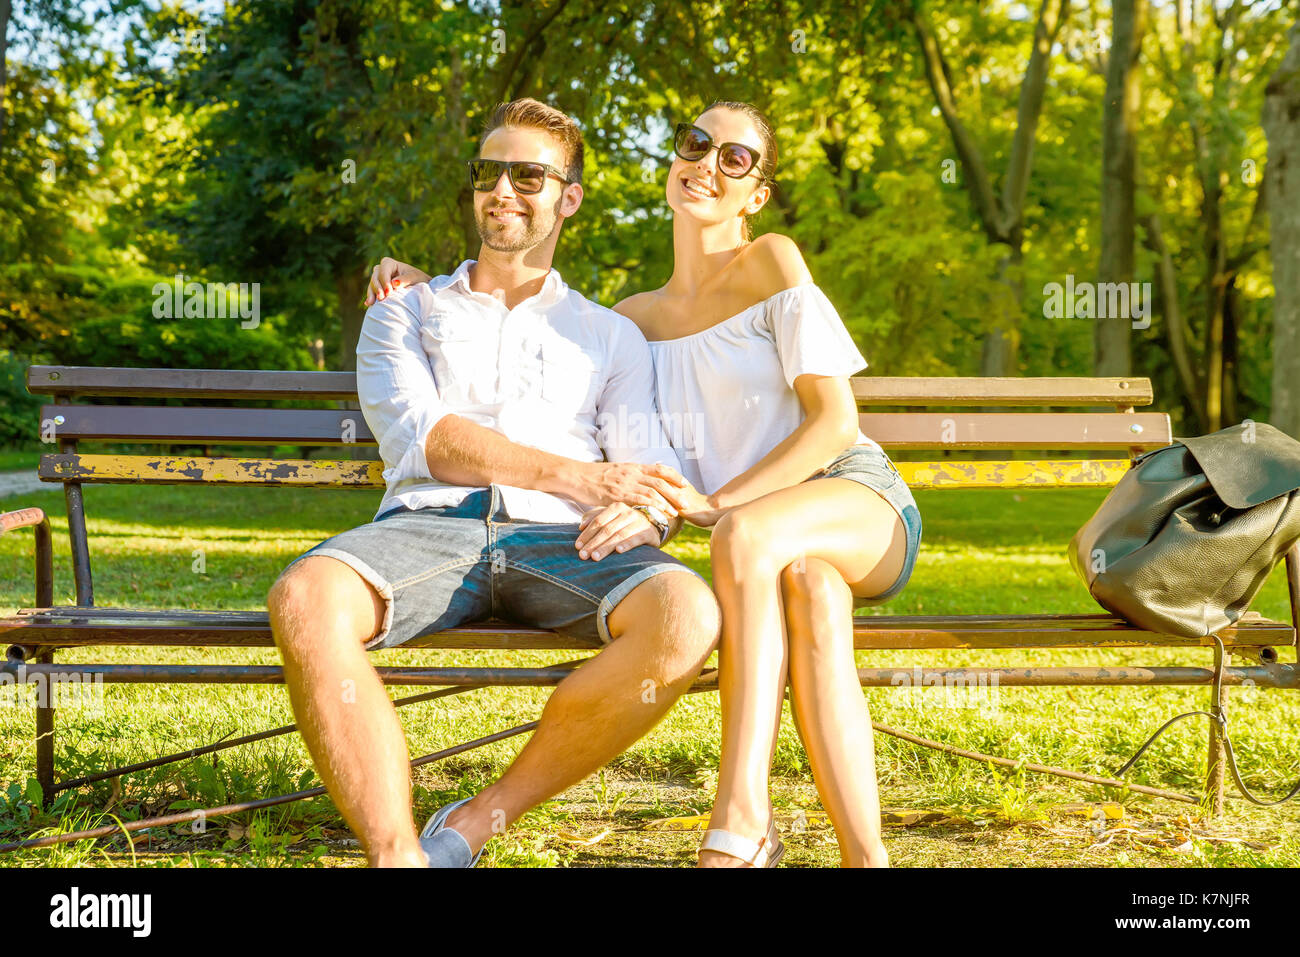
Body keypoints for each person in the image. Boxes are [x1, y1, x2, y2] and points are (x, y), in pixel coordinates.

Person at [370, 100, 922, 868]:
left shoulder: (772, 261)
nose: (706, 162)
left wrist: (717, 504)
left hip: (851, 496)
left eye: (735, 158)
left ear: (756, 193)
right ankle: (870, 858)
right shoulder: (635, 321)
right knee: (812, 595)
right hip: (766, 548)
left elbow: (833, 421)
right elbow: (520, 323)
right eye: (696, 143)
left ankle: (741, 816)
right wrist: (429, 286)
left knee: (752, 537)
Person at [269, 97, 721, 869]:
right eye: (488, 171)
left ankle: (477, 821)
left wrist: (644, 520)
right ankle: (397, 855)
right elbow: (432, 442)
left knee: (686, 610)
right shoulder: (403, 311)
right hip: (429, 525)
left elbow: (643, 464)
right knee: (304, 596)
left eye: (529, 174)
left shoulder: (610, 334)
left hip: (564, 538)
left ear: (569, 197)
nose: (502, 189)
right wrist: (581, 476)